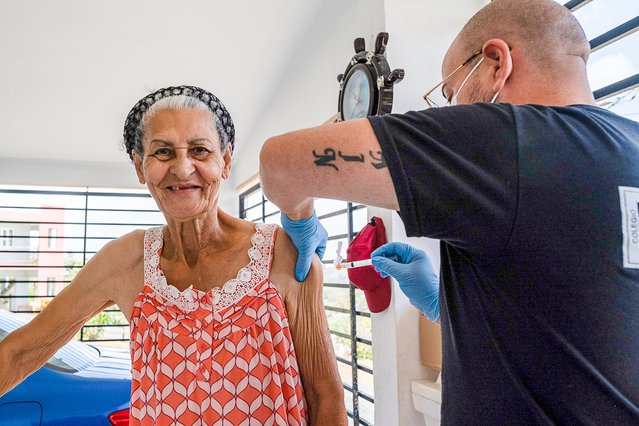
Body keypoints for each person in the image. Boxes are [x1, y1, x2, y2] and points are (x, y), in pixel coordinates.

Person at [259, 0, 639, 423]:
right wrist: (444, 302)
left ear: (496, 63)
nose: (452, 109)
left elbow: (278, 162)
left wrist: (300, 219)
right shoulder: (629, 148)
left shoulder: (506, 140)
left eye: (450, 92)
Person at [0, 85, 347, 425]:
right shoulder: (126, 261)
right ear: (140, 167)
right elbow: (19, 352)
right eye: (163, 152)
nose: (182, 169)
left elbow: (325, 396)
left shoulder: (283, 254)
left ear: (225, 161)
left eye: (199, 150)